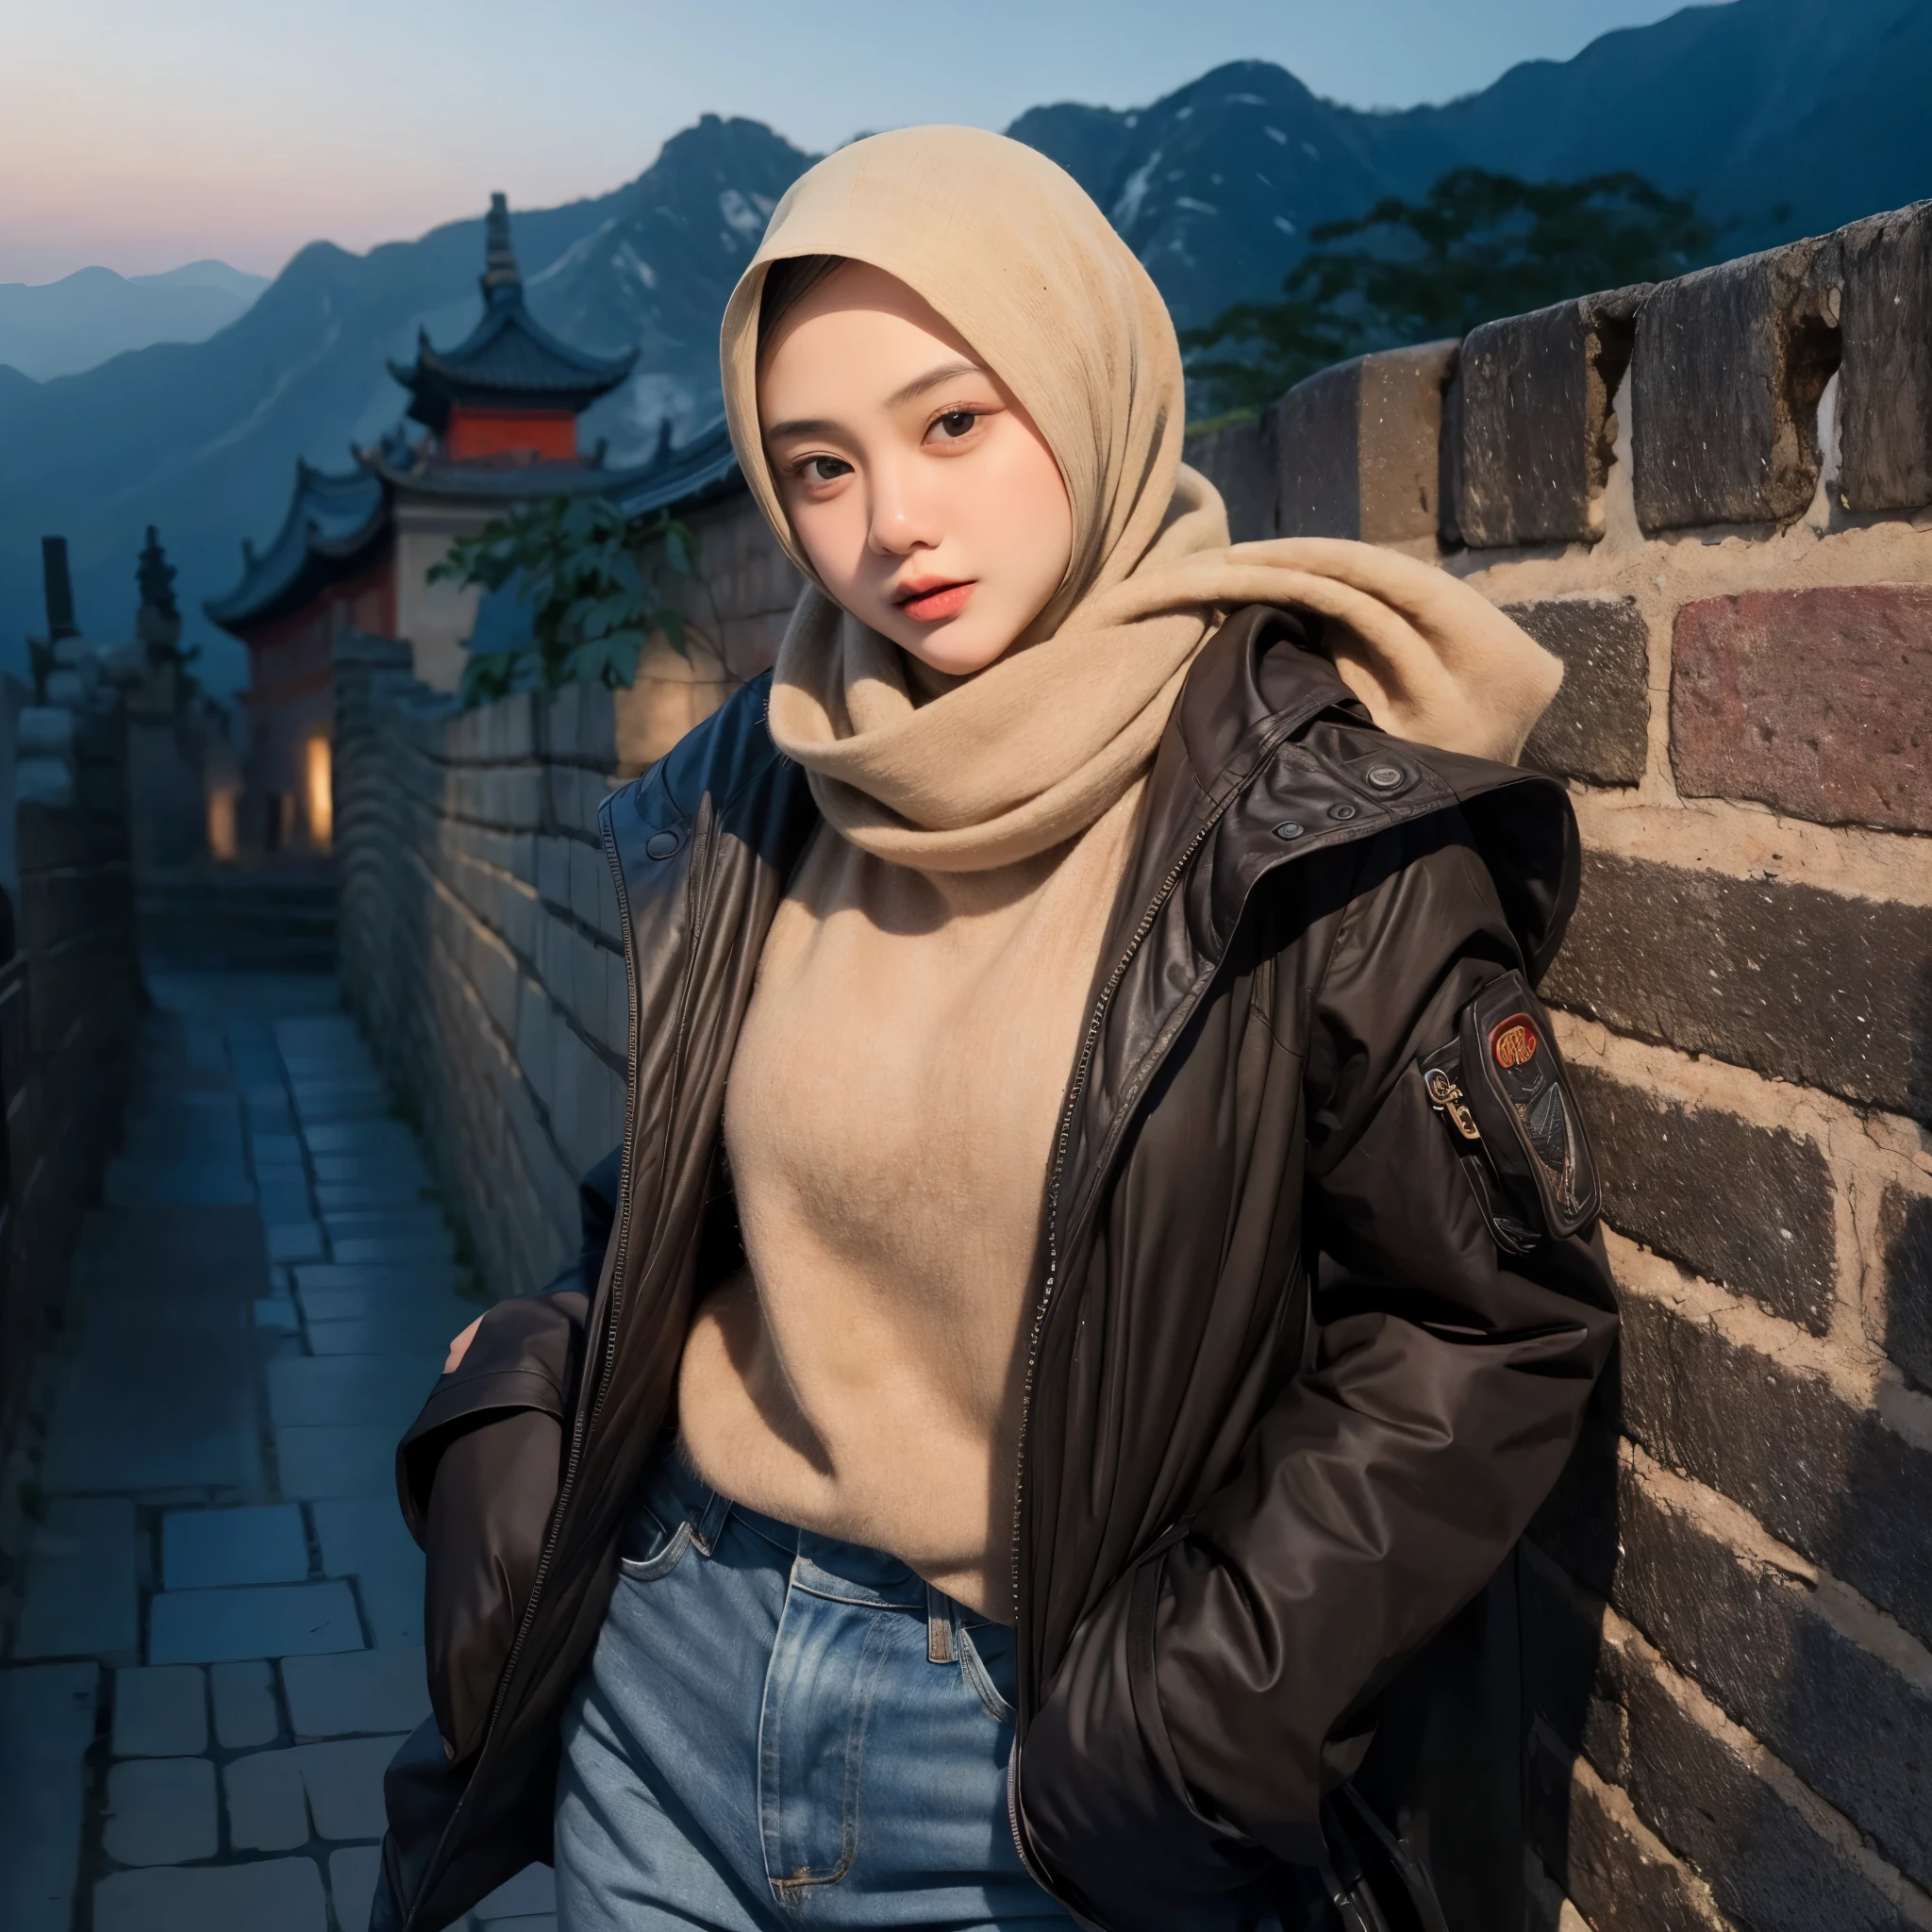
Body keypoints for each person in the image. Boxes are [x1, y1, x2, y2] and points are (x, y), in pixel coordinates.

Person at [374, 126, 1618, 1932]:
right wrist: (523, 1395)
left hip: (1027, 1769)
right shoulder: (760, 786)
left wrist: (1188, 1728)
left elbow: (1481, 1328)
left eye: (954, 423)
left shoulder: (1307, 815)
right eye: (819, 465)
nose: (889, 525)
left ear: (1086, 375)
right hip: (667, 1689)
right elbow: (679, 1214)